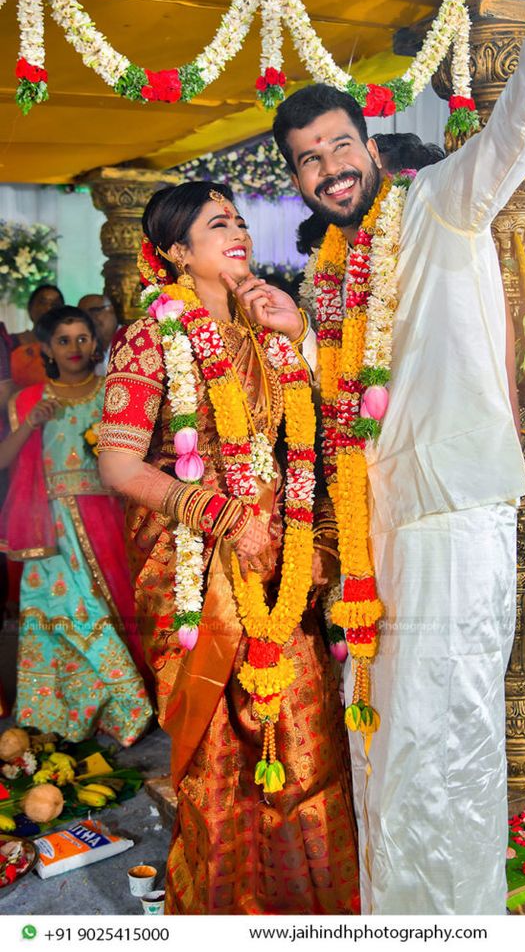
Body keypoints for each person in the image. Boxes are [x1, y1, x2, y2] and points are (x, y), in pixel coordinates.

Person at [268, 0, 525, 914]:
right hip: (379, 527)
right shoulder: (332, 275)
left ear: (369, 146)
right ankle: (395, 913)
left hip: (455, 512)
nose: (329, 168)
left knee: (448, 727)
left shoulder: (438, 207)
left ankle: (452, 920)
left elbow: (521, 125)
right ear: (298, 181)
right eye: (307, 162)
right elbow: (333, 411)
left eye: (339, 145)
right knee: (383, 725)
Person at [97, 181, 359, 915]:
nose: (237, 231)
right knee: (217, 759)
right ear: (177, 251)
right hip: (194, 572)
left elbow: (302, 439)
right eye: (218, 224)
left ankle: (313, 913)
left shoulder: (262, 326)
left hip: (278, 567)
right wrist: (221, 515)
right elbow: (117, 465)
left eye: (239, 220)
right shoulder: (151, 336)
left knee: (305, 743)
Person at [0, 305, 152, 743]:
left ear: (96, 341)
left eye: (82, 338)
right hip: (50, 530)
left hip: (107, 517)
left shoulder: (112, 392)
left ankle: (129, 705)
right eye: (63, 340)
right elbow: (3, 461)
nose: (74, 348)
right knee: (62, 614)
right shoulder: (29, 402)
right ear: (46, 347)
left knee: (115, 607)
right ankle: (61, 713)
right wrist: (30, 424)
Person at [9, 283, 64, 388]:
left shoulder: (69, 345)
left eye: (55, 304)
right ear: (30, 308)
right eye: (43, 302)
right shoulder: (11, 343)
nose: (49, 308)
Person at [78, 292, 121, 375]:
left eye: (94, 311)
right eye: (83, 314)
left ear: (111, 309)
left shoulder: (131, 339)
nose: (89, 318)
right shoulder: (85, 349)